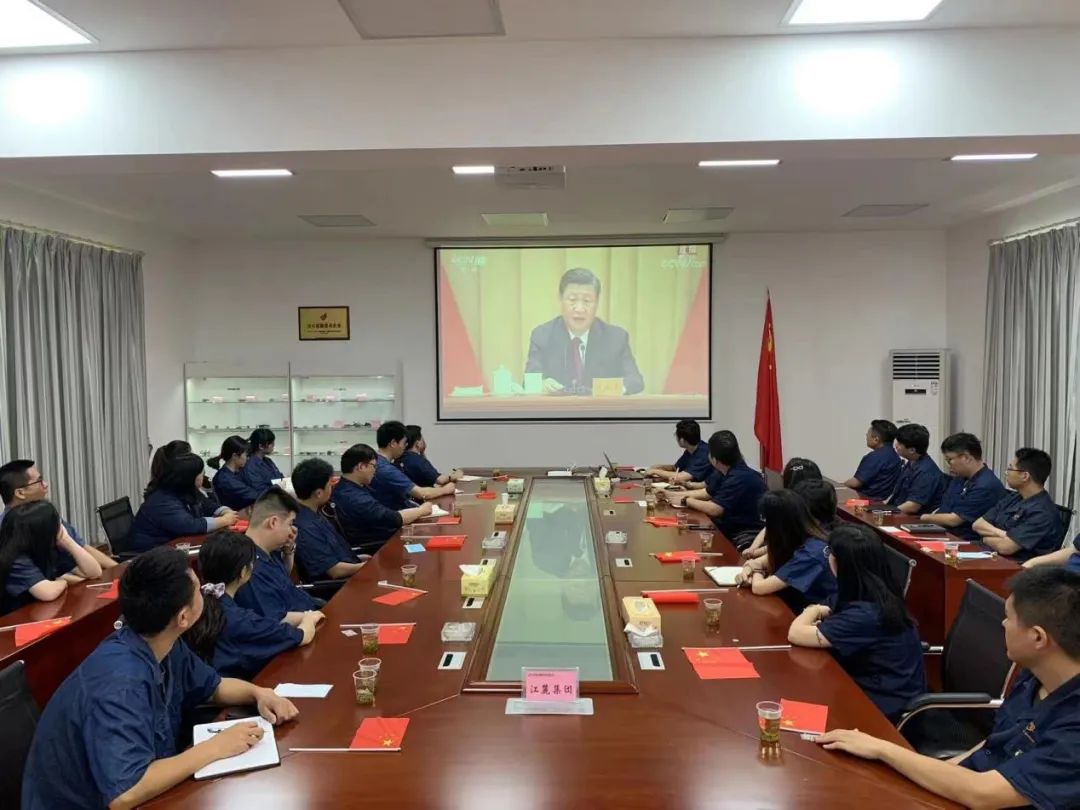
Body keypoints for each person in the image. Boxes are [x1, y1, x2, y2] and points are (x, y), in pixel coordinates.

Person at [21, 546, 300, 810]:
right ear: (183, 617)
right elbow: (125, 793)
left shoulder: (160, 641)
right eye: (198, 589)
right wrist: (214, 748)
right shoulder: (120, 682)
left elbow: (213, 686)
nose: (204, 591)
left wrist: (258, 693)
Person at [815, 566, 1080, 810]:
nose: (1002, 624)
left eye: (1008, 618)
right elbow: (994, 744)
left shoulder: (1073, 727)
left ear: (1037, 637)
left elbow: (984, 793)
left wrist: (882, 749)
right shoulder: (1037, 674)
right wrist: (935, 771)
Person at [788, 524, 926, 722]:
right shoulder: (874, 590)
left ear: (841, 563)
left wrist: (813, 610)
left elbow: (796, 633)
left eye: (829, 553)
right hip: (863, 686)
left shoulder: (867, 615)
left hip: (880, 709)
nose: (827, 557)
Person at [183, 530, 324, 679]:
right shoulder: (238, 619)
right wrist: (310, 617)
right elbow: (302, 635)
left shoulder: (195, 607)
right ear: (244, 572)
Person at [524, 267, 644, 396]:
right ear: (560, 299)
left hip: (601, 408)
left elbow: (635, 381)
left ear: (597, 302)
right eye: (572, 300)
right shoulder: (542, 336)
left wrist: (608, 389)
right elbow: (528, 381)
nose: (579, 309)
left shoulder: (616, 338)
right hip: (557, 409)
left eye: (587, 301)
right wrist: (541, 385)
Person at [0, 458, 116, 571]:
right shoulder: (6, 532)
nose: (45, 485)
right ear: (20, 493)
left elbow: (82, 547)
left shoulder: (45, 515)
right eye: (39, 481)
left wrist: (118, 569)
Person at [736, 490, 836, 612]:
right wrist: (749, 568)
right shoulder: (801, 536)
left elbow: (759, 588)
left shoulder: (812, 553)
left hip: (818, 612)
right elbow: (759, 562)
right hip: (798, 601)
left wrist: (756, 571)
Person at [0, 501, 103, 613]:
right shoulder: (14, 558)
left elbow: (94, 572)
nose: (61, 526)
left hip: (38, 611)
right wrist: (63, 581)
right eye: (57, 523)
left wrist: (67, 540)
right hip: (13, 618)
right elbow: (48, 593)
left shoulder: (50, 547)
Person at [233, 486, 319, 620]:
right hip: (303, 625)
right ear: (273, 522)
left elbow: (281, 580)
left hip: (308, 610)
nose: (293, 530)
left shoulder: (268, 550)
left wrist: (288, 551)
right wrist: (316, 616)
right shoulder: (248, 567)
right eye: (290, 523)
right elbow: (276, 620)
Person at [130, 453, 238, 552]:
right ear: (191, 477)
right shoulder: (163, 500)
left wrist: (225, 511)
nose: (204, 475)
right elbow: (190, 526)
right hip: (149, 555)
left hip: (170, 549)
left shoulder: (185, 490)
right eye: (201, 473)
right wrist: (223, 520)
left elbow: (207, 505)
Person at [334, 444, 432, 550]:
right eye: (374, 466)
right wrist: (422, 510)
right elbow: (394, 519)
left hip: (382, 537)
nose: (375, 471)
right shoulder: (355, 497)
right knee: (424, 546)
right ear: (361, 467)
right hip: (377, 546)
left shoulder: (346, 487)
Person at [972, 448, 1062, 562]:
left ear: (1024, 476)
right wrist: (1005, 535)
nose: (1006, 473)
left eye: (1010, 468)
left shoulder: (1043, 513)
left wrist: (986, 538)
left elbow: (1005, 548)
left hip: (1015, 566)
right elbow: (978, 524)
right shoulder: (1014, 497)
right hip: (991, 555)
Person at [681, 431, 765, 547]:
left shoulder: (739, 477)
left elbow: (715, 509)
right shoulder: (725, 471)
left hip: (745, 534)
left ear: (714, 459)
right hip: (729, 528)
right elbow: (707, 493)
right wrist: (670, 495)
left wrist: (686, 500)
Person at [920, 432, 1007, 542]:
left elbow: (954, 520)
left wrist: (924, 518)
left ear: (966, 457)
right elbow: (945, 508)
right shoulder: (960, 478)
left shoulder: (986, 485)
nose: (948, 465)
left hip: (966, 541)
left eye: (949, 460)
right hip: (943, 533)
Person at [292, 458, 370, 579]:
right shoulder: (305, 527)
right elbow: (335, 571)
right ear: (318, 493)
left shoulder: (315, 513)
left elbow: (336, 552)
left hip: (350, 570)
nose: (331, 489)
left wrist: (359, 559)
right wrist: (366, 566)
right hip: (339, 585)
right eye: (329, 485)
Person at [741, 458, 825, 559]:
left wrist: (754, 553)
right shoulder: (786, 502)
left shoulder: (811, 508)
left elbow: (791, 544)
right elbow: (769, 526)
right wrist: (753, 547)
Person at [368, 421, 454, 510]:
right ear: (393, 443)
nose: (405, 446)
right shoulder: (387, 469)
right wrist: (445, 490)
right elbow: (421, 493)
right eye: (404, 443)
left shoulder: (376, 462)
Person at [887, 423, 946, 514]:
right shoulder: (911, 463)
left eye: (899, 443)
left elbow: (912, 506)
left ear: (912, 450)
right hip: (899, 512)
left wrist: (887, 512)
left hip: (914, 518)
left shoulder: (926, 472)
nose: (896, 446)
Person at [843, 420, 902, 500]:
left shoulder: (874, 457)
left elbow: (856, 483)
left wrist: (839, 487)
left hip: (865, 501)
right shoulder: (896, 457)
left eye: (868, 433)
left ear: (876, 439)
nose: (866, 435)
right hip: (881, 501)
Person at [646, 420, 713, 484]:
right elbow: (676, 468)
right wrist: (660, 466)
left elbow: (681, 477)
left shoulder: (704, 453)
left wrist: (655, 471)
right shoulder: (691, 449)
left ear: (682, 440)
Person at [207, 435, 263, 512]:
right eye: (246, 455)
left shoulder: (235, 473)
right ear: (235, 456)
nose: (248, 458)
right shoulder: (225, 479)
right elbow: (254, 495)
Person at [240, 428, 283, 493]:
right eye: (271, 443)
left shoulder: (268, 461)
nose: (273, 445)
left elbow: (280, 477)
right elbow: (260, 490)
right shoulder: (250, 466)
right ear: (261, 446)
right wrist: (279, 485)